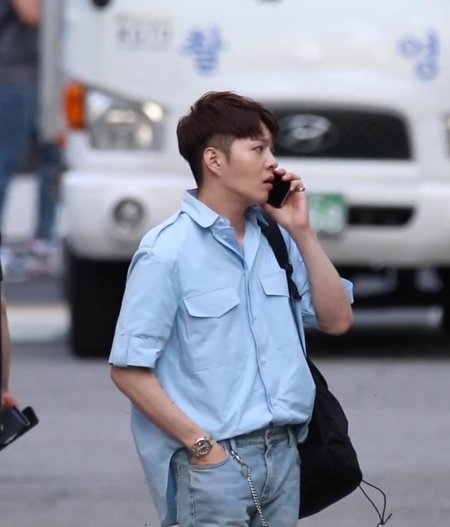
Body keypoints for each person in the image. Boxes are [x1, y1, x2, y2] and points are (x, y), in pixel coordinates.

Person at [109, 91, 353, 527]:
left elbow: (337, 320)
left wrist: (301, 231)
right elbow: (128, 370)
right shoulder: (166, 252)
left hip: (283, 455)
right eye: (258, 149)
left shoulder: (276, 239)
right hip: (214, 467)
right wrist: (202, 446)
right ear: (215, 161)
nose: (273, 163)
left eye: (272, 149)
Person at [0, 0, 61, 278]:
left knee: (52, 159)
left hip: (47, 81)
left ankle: (44, 241)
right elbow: (32, 13)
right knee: (7, 161)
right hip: (15, 79)